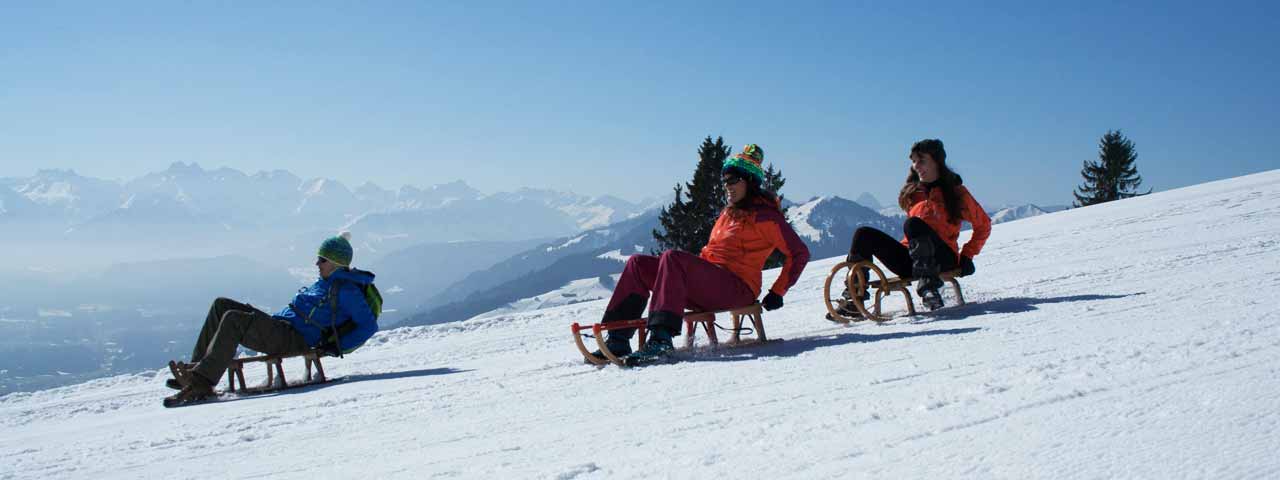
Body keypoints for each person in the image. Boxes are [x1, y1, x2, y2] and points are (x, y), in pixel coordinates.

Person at [591, 144, 810, 363]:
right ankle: (617, 339)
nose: (727, 186)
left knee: (672, 257)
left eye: (733, 180)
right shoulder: (730, 212)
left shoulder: (766, 218)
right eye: (724, 181)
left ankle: (661, 339)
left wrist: (778, 291)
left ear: (750, 182)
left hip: (737, 288)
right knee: (637, 263)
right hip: (710, 284)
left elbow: (799, 253)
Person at [165, 232, 378, 405]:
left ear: (334, 263)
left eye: (322, 259)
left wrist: (335, 346)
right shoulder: (325, 280)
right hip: (282, 327)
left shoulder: (347, 290)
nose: (317, 263)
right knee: (221, 305)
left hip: (295, 339)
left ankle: (202, 382)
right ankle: (196, 368)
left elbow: (368, 325)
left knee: (233, 319)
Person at [836, 139, 991, 315]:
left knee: (914, 224)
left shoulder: (956, 193)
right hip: (912, 259)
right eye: (914, 161)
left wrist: (967, 256)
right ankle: (854, 298)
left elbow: (983, 226)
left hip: (942, 258)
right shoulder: (914, 193)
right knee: (863, 234)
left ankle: (929, 286)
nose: (916, 166)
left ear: (937, 162)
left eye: (922, 160)